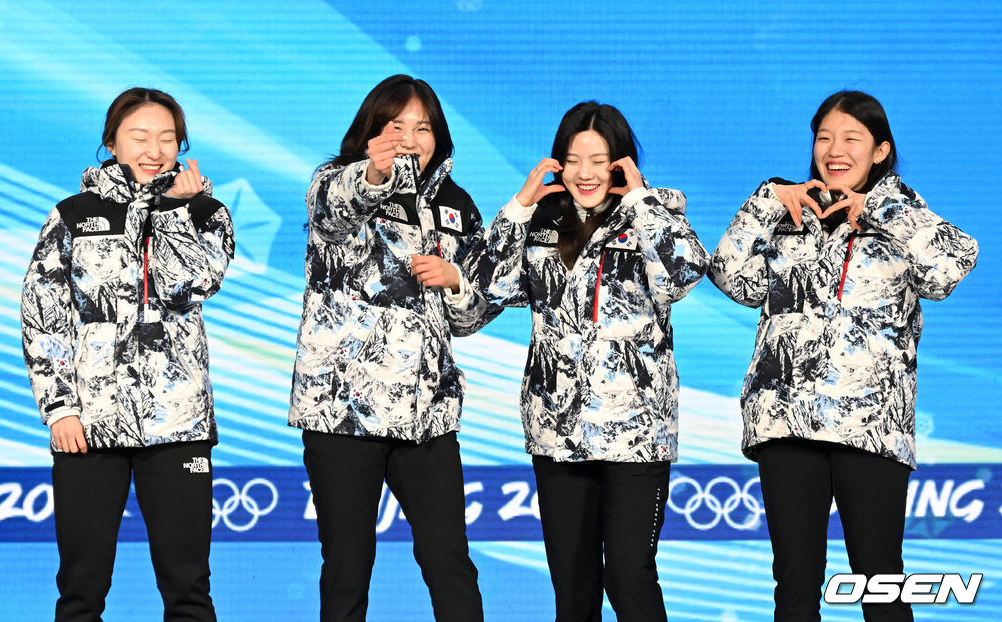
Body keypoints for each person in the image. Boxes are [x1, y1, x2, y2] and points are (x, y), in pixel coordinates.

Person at [708, 90, 978, 621]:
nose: (835, 149)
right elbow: (731, 277)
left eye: (852, 139)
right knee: (795, 581)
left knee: (879, 578)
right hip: (787, 422)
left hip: (871, 426)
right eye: (825, 137)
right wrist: (766, 202)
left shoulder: (903, 216)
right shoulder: (787, 213)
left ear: (880, 150)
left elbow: (949, 269)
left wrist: (881, 208)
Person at [465, 101, 710, 621]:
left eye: (599, 159)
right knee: (573, 593)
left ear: (620, 163)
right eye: (574, 159)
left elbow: (686, 274)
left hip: (636, 434)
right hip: (558, 433)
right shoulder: (539, 222)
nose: (585, 173)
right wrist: (519, 205)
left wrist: (641, 200)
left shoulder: (657, 212)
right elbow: (487, 286)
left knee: (629, 577)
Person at [21, 87, 234, 621]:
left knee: (188, 587)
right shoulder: (73, 215)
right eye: (139, 136)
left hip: (178, 422)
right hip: (89, 425)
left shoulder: (208, 211)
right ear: (112, 143)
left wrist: (178, 214)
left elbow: (194, 284)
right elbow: (42, 314)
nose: (154, 149)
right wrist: (61, 409)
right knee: (81, 589)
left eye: (167, 138)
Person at [289, 74, 497, 622]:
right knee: (348, 566)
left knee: (449, 559)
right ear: (371, 132)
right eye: (396, 125)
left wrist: (456, 281)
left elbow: (469, 318)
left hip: (426, 412)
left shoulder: (456, 204)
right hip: (343, 412)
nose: (409, 137)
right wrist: (376, 174)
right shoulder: (336, 180)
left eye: (422, 127)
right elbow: (333, 210)